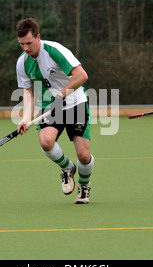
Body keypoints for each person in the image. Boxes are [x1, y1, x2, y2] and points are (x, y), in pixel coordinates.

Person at [15, 18, 94, 204]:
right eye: (21, 44)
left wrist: (61, 96)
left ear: (38, 37)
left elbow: (81, 76)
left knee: (83, 155)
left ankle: (84, 186)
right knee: (46, 141)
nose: (25, 48)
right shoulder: (22, 63)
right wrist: (26, 118)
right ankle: (67, 168)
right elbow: (28, 91)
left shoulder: (55, 51)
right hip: (50, 107)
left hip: (76, 103)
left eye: (29, 43)